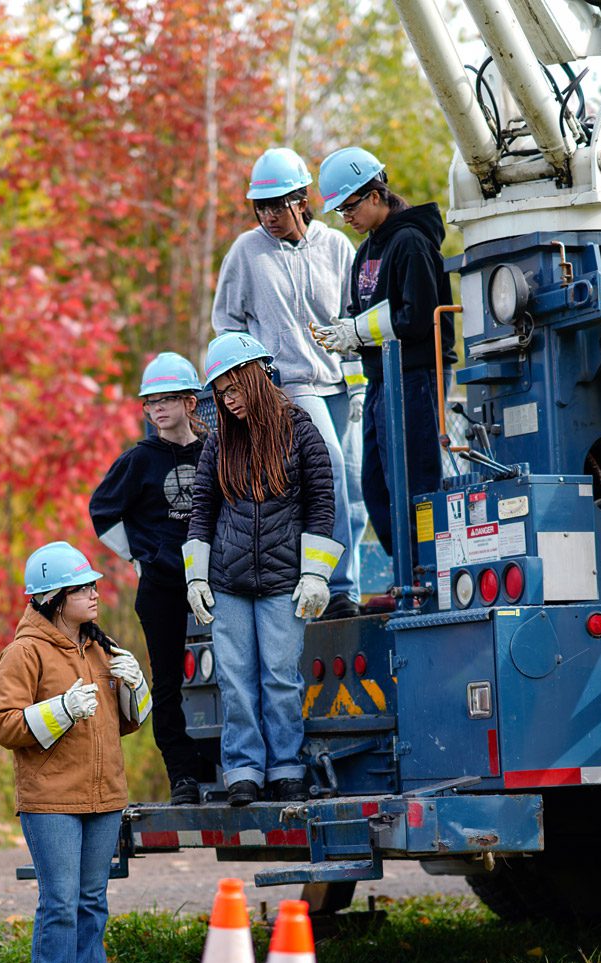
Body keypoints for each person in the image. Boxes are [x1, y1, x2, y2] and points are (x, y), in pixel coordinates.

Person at [0, 542, 150, 963]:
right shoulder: (23, 654)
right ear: (53, 598)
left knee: (92, 904)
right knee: (60, 906)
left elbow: (128, 723)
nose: (96, 594)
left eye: (95, 585)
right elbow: (1, 723)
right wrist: (60, 709)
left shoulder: (100, 646)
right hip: (51, 803)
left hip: (104, 800)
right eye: (84, 588)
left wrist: (135, 687)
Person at [184, 332, 340, 807]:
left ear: (255, 379)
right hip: (229, 583)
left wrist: (315, 574)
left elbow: (321, 503)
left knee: (279, 677)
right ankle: (244, 771)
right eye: (221, 395)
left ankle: (287, 769)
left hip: (283, 583)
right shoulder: (218, 445)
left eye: (234, 391)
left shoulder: (302, 429)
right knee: (235, 680)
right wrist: (196, 576)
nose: (228, 403)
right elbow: (201, 510)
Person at [212, 147, 366, 618]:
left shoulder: (337, 246)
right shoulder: (247, 252)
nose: (269, 216)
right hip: (291, 385)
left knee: (356, 485)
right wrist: (255, 379)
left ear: (302, 199)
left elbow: (355, 316)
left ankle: (350, 584)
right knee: (332, 469)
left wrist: (360, 387)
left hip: (342, 381)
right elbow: (226, 323)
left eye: (278, 204)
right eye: (261, 207)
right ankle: (335, 585)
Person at [312, 146, 457, 555]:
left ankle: (427, 568)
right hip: (381, 380)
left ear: (375, 195)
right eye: (340, 211)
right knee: (376, 484)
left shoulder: (410, 242)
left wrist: (357, 331)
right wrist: (348, 333)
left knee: (416, 481)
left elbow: (419, 315)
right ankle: (406, 570)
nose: (347, 217)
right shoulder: (367, 250)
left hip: (417, 376)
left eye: (350, 206)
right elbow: (362, 315)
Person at [90, 352, 214, 805]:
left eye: (166, 400)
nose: (157, 409)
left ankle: (234, 765)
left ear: (190, 401)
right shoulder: (138, 460)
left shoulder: (212, 453)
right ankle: (182, 775)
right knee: (167, 683)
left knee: (235, 675)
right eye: (150, 403)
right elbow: (102, 512)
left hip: (217, 581)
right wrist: (141, 558)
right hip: (161, 585)